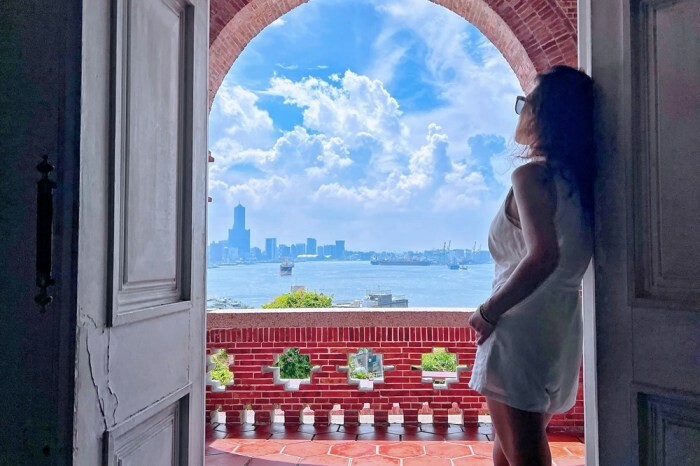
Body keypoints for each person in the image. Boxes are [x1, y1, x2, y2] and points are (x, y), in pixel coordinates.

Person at [468, 65, 595, 466]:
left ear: (544, 113)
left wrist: (488, 312)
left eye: (526, 102)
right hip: (558, 328)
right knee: (510, 449)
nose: (521, 110)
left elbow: (543, 256)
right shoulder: (579, 183)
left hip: (518, 329)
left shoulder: (531, 176)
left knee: (521, 453)